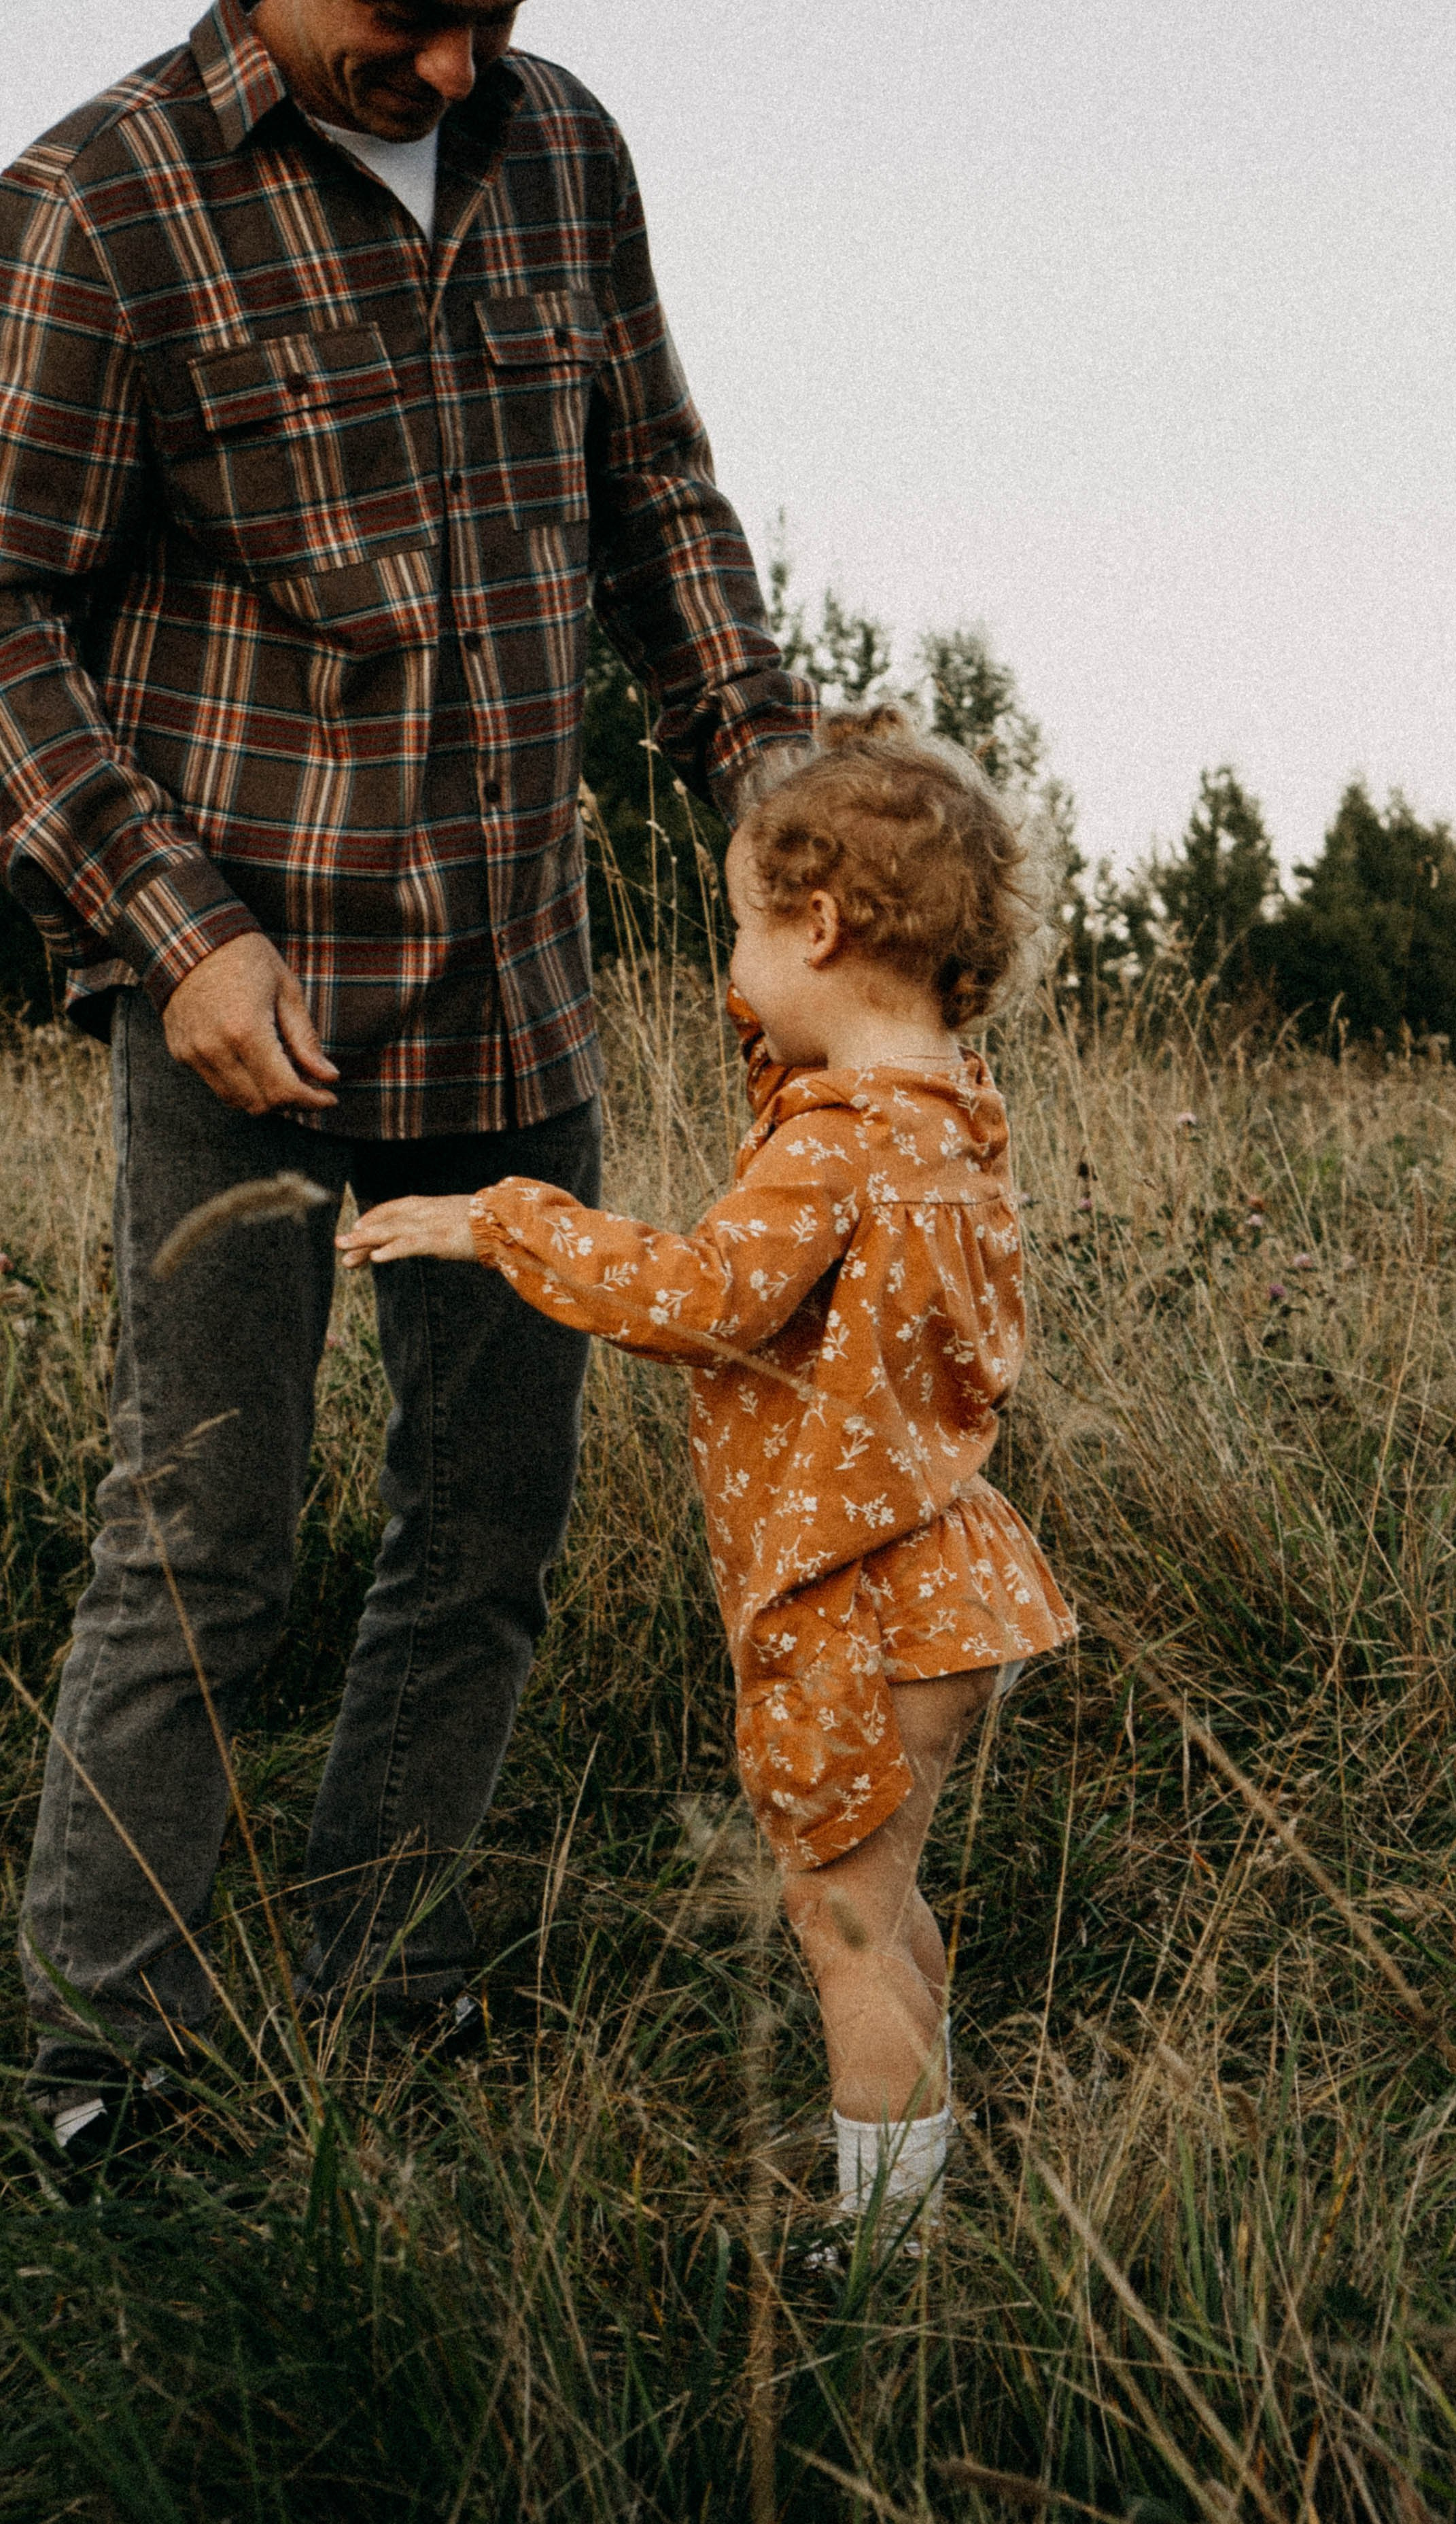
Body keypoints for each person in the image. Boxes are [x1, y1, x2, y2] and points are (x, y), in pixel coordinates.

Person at [0, 0, 815, 2159]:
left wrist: (770, 778)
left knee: (489, 1520)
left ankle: (380, 1995)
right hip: (242, 1005)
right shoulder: (101, 200)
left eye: (496, 11)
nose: (457, 68)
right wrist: (170, 925)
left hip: (513, 992)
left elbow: (651, 491)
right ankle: (108, 2074)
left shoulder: (564, 148)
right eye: (407, 13)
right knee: (203, 1532)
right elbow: (3, 610)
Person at [338, 708, 1077, 2244]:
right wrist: (779, 1024)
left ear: (820, 926)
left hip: (858, 1600)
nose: (727, 972)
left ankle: (885, 2248)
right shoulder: (952, 1115)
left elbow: (702, 1295)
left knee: (839, 1920)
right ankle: (909, 2151)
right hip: (952, 1573)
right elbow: (817, 1149)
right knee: (883, 1901)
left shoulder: (832, 1147)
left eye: (740, 931)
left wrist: (500, 1222)